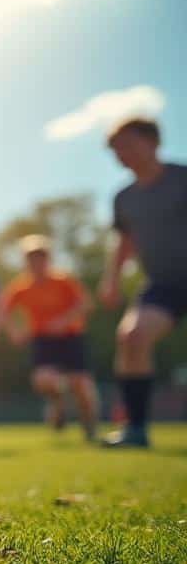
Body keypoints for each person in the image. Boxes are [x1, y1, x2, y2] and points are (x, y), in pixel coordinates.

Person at [99, 117, 187, 449]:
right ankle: (135, 429)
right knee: (132, 337)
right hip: (163, 283)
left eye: (127, 144)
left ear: (152, 142)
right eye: (116, 149)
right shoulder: (123, 198)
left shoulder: (182, 177)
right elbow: (124, 242)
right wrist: (111, 279)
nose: (121, 153)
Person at [0, 235, 100, 442]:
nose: (36, 262)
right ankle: (60, 400)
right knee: (43, 380)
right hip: (43, 340)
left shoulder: (63, 280)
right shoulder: (21, 286)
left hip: (70, 337)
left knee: (82, 384)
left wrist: (63, 321)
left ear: (47, 259)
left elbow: (85, 304)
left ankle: (89, 427)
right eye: (31, 258)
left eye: (40, 257)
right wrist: (13, 331)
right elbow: (2, 309)